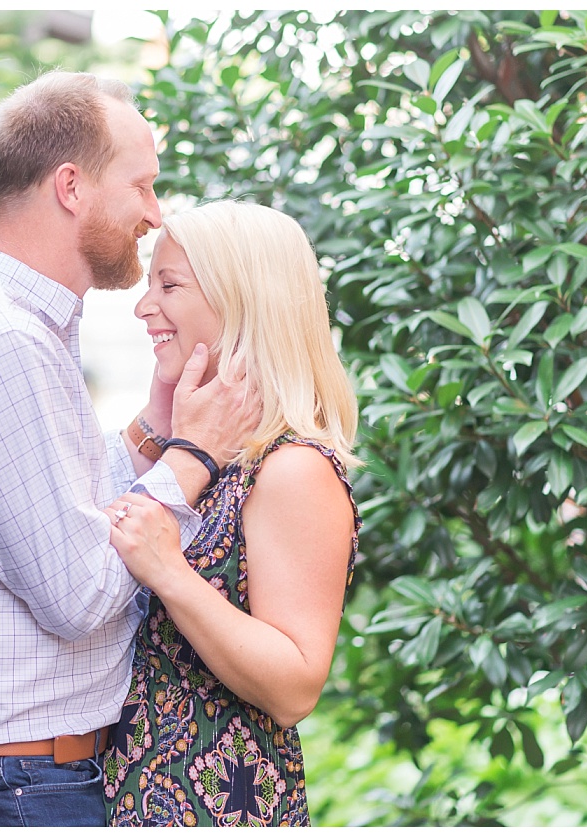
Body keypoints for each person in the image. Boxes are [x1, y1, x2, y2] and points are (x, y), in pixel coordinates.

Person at [0, 72, 259, 828]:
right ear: (72, 186)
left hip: (5, 775)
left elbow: (62, 509)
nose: (153, 212)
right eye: (141, 185)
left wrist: (153, 427)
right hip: (3, 784)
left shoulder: (13, 325)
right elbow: (78, 592)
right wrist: (193, 457)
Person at [93, 200, 361, 826]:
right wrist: (163, 426)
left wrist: (170, 573)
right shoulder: (214, 457)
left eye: (169, 286)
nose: (142, 307)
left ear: (241, 302)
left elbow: (295, 686)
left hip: (216, 807)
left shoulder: (292, 468)